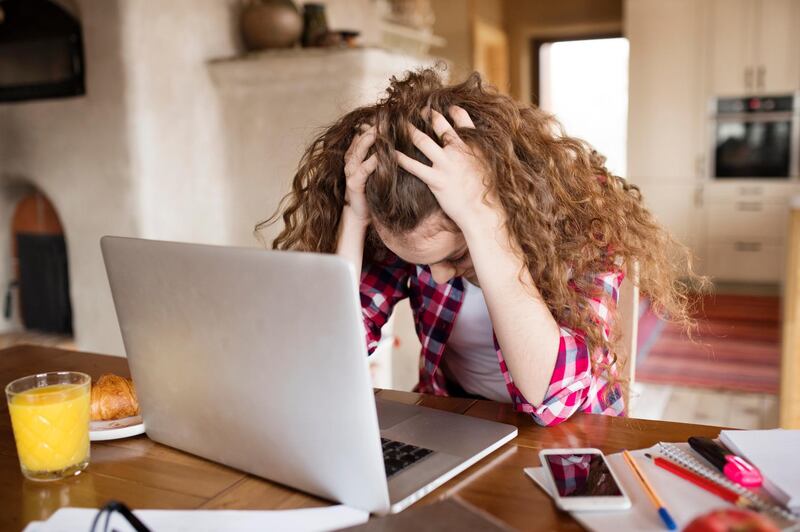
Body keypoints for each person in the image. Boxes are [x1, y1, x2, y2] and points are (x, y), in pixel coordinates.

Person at [258, 68, 702, 426]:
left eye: (455, 256)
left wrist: (485, 220)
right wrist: (355, 218)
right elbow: (328, 358)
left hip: (574, 439)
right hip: (456, 424)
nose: (438, 276)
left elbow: (553, 400)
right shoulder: (416, 224)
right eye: (423, 264)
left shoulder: (582, 223)